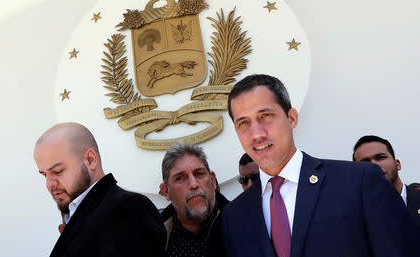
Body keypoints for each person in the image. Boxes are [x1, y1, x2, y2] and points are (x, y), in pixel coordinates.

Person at [222, 74, 419, 257]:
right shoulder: (235, 216)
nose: (257, 133)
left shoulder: (359, 183)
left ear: (292, 118)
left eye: (265, 116)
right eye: (243, 123)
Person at [34, 122, 166, 257]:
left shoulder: (128, 208)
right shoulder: (80, 211)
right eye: (44, 174)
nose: (49, 184)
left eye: (57, 171)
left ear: (90, 160)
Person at [159, 141, 228, 257]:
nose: (193, 184)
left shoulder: (242, 222)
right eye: (181, 178)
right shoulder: (152, 236)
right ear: (166, 191)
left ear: (213, 180)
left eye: (199, 174)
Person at [353, 135, 420, 227]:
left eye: (380, 157)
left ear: (397, 164)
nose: (374, 165)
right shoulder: (352, 214)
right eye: (365, 162)